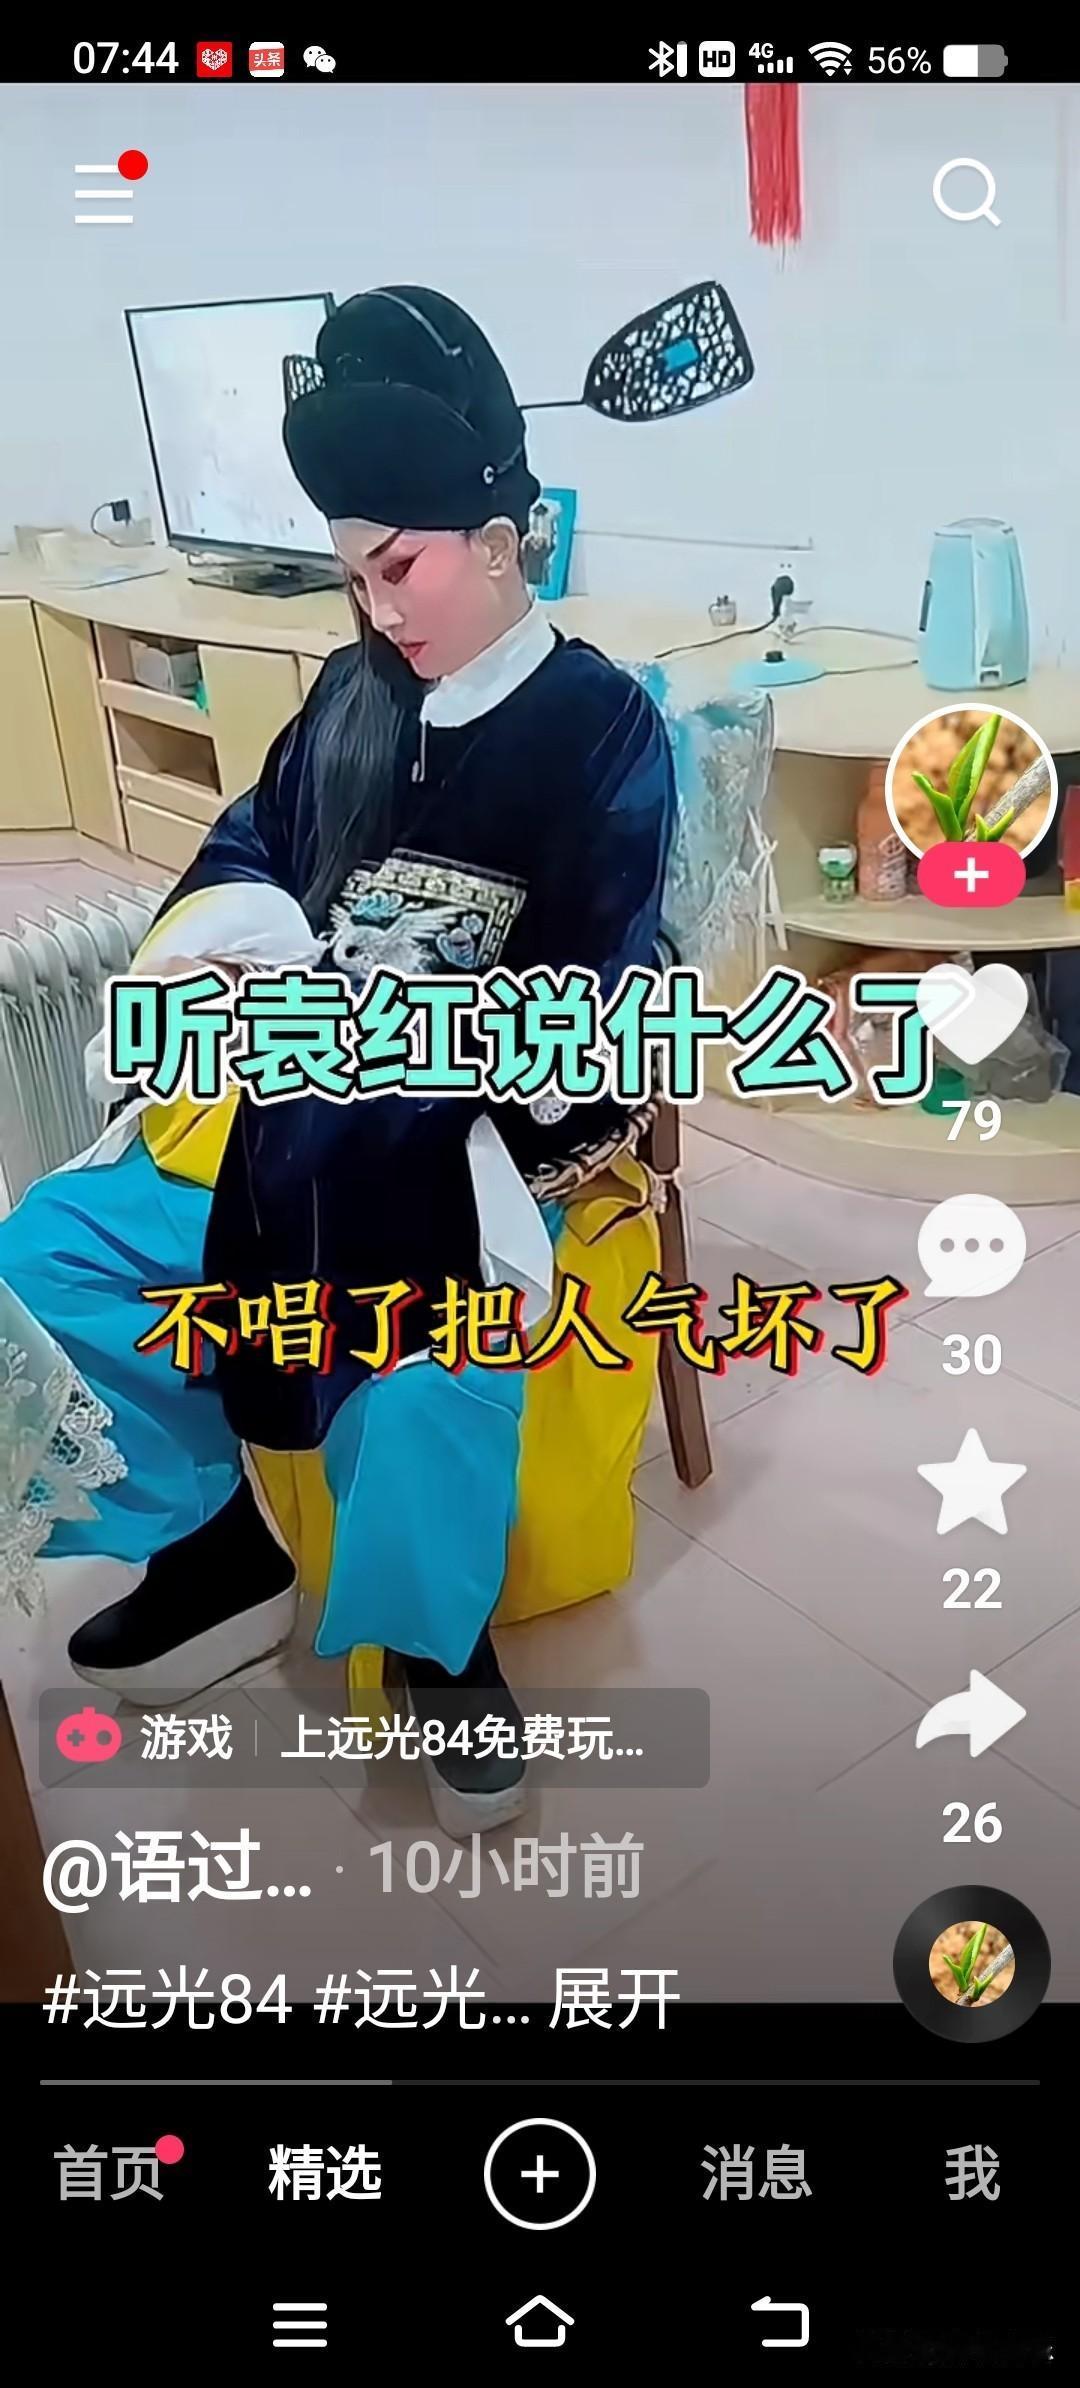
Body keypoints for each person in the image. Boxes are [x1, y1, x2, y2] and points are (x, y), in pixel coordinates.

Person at [0, 286, 676, 1833]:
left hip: (466, 1142)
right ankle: (220, 1539)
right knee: (45, 1260)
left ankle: (438, 1646)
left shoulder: (599, 728)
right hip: (277, 1119)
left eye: (399, 568)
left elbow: (600, 986)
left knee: (423, 1351)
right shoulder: (353, 696)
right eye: (353, 575)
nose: (378, 610)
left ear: (497, 542)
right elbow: (252, 843)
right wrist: (221, 948)